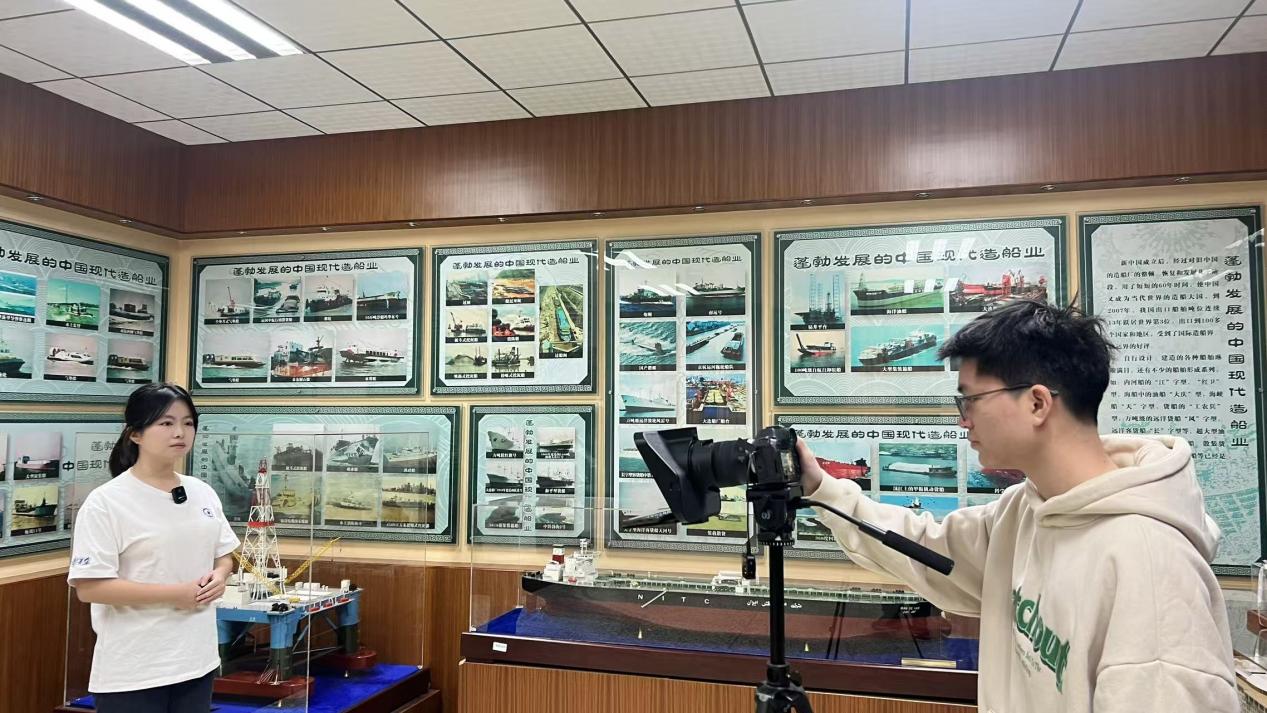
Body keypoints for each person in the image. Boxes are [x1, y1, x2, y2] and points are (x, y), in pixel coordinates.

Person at [799, 299, 1237, 712]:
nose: (962, 419)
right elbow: (925, 548)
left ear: (1037, 403)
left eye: (970, 400)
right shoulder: (1024, 509)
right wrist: (821, 487)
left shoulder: (1151, 564)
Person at [68, 383, 239, 713]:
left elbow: (224, 554)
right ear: (135, 434)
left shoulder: (202, 492)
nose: (180, 432)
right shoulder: (106, 502)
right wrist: (175, 594)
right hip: (134, 670)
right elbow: (89, 588)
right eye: (166, 423)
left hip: (197, 661)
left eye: (188, 423)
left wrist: (221, 575)